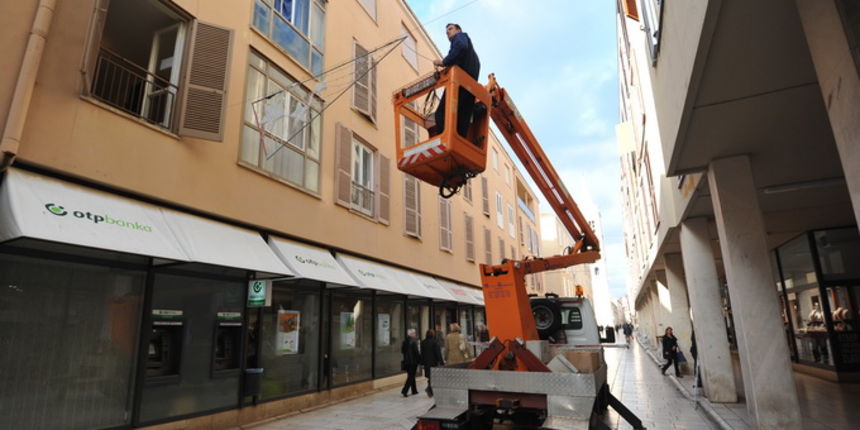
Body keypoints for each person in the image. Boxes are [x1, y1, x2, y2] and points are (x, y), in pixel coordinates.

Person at [429, 23, 481, 138]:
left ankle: (443, 141)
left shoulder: (460, 37)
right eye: (446, 31)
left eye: (450, 29)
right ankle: (459, 142)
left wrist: (443, 62)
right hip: (470, 86)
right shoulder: (470, 55)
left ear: (459, 30)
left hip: (459, 81)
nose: (448, 32)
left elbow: (461, 46)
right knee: (462, 117)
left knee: (441, 113)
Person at [420, 329, 444, 397]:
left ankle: (430, 390)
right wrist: (441, 362)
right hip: (434, 363)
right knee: (433, 376)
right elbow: (438, 353)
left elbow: (422, 353)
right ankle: (429, 389)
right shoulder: (435, 342)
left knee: (430, 377)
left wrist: (422, 363)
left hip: (426, 363)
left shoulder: (423, 342)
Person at [401, 328, 421, 397]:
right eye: (414, 333)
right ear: (411, 334)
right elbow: (416, 352)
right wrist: (419, 360)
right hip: (413, 362)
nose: (415, 334)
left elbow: (402, 351)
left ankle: (414, 390)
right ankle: (405, 390)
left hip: (407, 362)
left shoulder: (405, 341)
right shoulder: (413, 341)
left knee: (411, 375)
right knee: (411, 376)